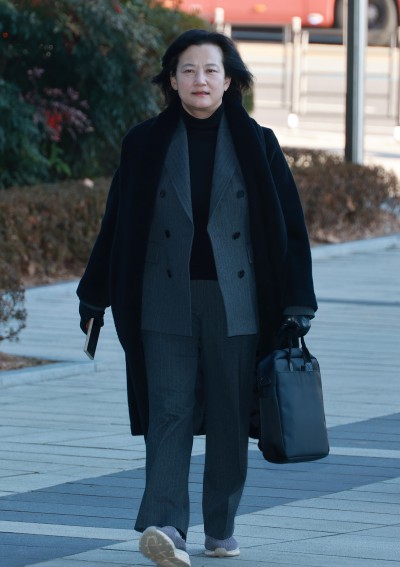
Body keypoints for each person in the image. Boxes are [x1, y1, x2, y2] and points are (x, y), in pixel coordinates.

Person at [77, 28, 317, 567]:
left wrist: (298, 303)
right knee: (169, 410)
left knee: (231, 414)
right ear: (172, 81)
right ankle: (166, 526)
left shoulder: (258, 143)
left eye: (211, 70)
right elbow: (117, 223)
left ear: (229, 81)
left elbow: (289, 227)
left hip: (238, 300)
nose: (199, 80)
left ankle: (220, 527)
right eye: (187, 70)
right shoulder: (144, 142)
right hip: (164, 299)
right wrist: (94, 294)